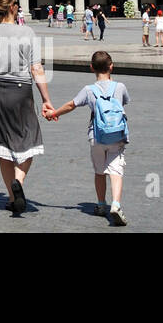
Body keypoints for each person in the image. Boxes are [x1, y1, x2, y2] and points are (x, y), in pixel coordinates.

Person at [0, 0, 54, 215]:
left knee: (3, 147)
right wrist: (46, 100)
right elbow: (36, 68)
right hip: (19, 90)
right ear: (12, 7)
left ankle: (13, 199)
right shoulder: (27, 32)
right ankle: (18, 182)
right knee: (30, 139)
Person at [45, 49, 130, 226]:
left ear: (91, 68)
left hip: (97, 136)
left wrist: (54, 113)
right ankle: (115, 204)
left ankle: (100, 204)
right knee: (116, 171)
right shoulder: (120, 87)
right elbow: (125, 101)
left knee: (99, 171)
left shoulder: (89, 90)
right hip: (117, 136)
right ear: (111, 67)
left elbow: (71, 105)